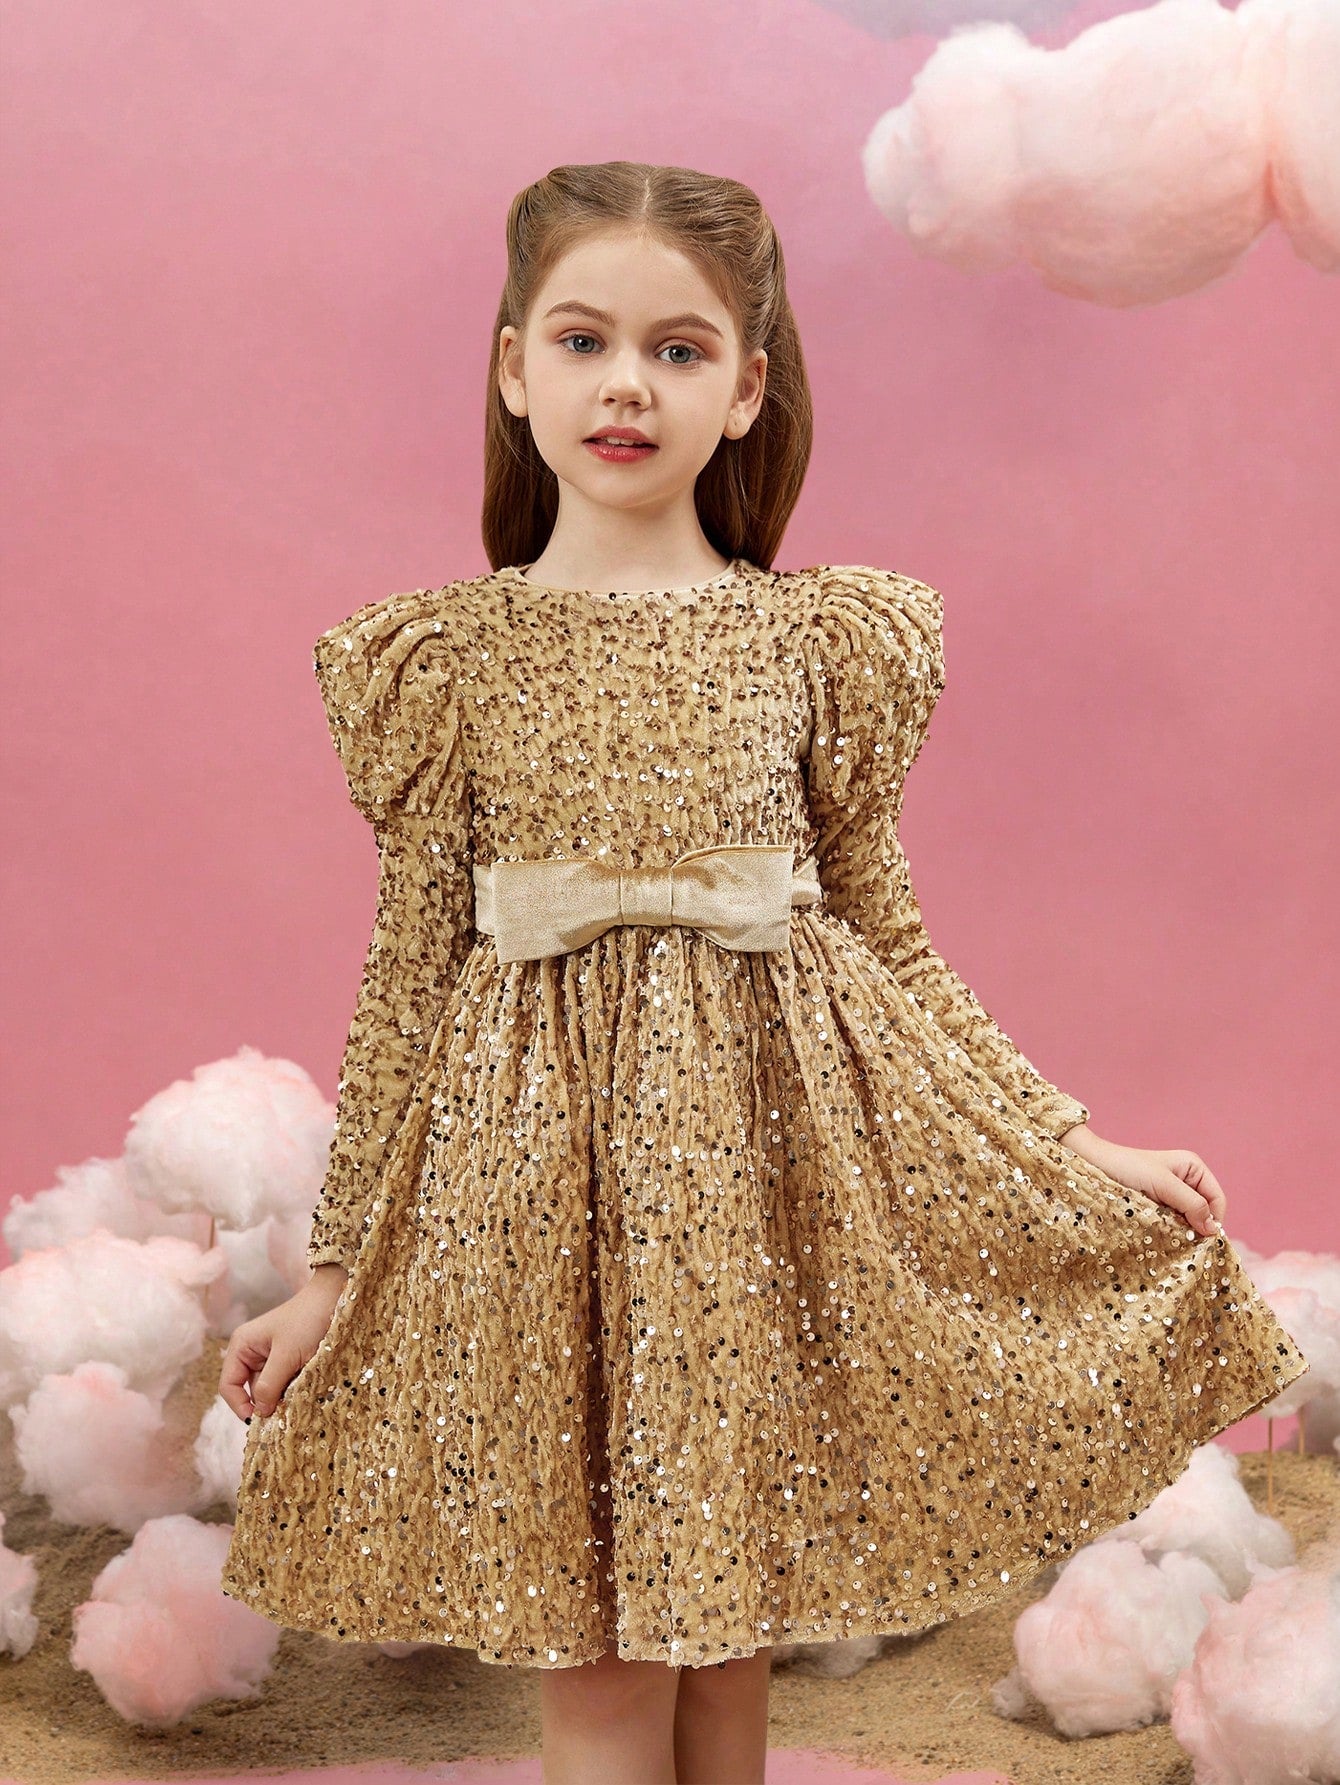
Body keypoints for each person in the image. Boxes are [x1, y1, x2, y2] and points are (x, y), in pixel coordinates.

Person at [217, 161, 1309, 1785]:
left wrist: (1067, 1139)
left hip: (750, 1186)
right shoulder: (448, 661)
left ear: (744, 391)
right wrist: (331, 1271)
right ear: (514, 369)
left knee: (725, 1645)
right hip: (537, 1196)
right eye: (584, 341)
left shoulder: (815, 645)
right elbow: (407, 977)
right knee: (596, 1653)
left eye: (678, 349)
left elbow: (888, 935)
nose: (627, 386)